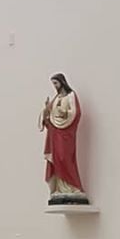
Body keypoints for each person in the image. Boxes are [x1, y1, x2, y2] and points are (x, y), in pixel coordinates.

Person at [39, 73, 87, 202]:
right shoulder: (56, 98)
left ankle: (73, 187)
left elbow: (76, 113)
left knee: (64, 157)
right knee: (56, 158)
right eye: (53, 84)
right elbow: (50, 116)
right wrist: (46, 111)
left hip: (66, 133)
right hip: (55, 132)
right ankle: (59, 189)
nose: (54, 86)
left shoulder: (71, 96)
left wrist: (64, 113)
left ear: (62, 82)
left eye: (56, 83)